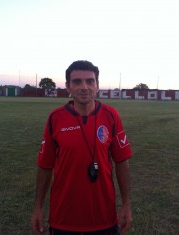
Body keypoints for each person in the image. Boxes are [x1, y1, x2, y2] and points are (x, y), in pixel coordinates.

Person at [31, 60, 133, 235]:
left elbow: (122, 162)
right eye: (77, 81)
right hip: (63, 219)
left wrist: (126, 204)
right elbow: (45, 166)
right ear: (68, 87)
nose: (84, 87)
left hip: (104, 219)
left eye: (90, 81)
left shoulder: (111, 116)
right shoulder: (55, 118)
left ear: (97, 85)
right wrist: (38, 207)